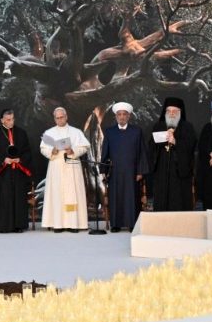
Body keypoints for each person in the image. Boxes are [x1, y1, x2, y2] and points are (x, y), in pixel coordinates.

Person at [40, 107, 91, 232]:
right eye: (57, 118)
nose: (59, 120)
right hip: (56, 167)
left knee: (72, 194)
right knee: (58, 195)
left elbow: (85, 146)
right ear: (54, 119)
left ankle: (73, 224)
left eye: (61, 117)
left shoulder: (76, 132)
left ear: (66, 117)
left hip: (72, 165)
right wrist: (53, 151)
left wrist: (73, 150)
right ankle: (58, 224)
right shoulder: (49, 132)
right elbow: (43, 149)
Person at [101, 102, 149, 232]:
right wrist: (103, 170)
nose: (122, 117)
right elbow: (105, 152)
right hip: (114, 171)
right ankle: (116, 224)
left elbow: (142, 152)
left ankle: (132, 223)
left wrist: (140, 171)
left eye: (124, 114)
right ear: (116, 116)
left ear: (129, 116)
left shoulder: (136, 131)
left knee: (131, 198)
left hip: (132, 171)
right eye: (119, 114)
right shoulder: (109, 132)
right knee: (115, 197)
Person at [0, 108, 33, 233]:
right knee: (4, 198)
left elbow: (28, 152)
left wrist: (20, 159)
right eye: (8, 120)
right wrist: (3, 160)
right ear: (2, 120)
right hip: (3, 173)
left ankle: (18, 225)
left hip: (18, 172)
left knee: (18, 198)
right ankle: (3, 226)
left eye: (12, 119)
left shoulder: (21, 133)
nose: (11, 122)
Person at [148, 97, 197, 211]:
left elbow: (191, 145)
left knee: (179, 201)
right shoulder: (158, 126)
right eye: (169, 111)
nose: (171, 114)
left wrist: (176, 142)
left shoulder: (187, 127)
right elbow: (151, 147)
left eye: (174, 111)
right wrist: (161, 139)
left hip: (180, 173)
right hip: (162, 171)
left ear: (180, 112)